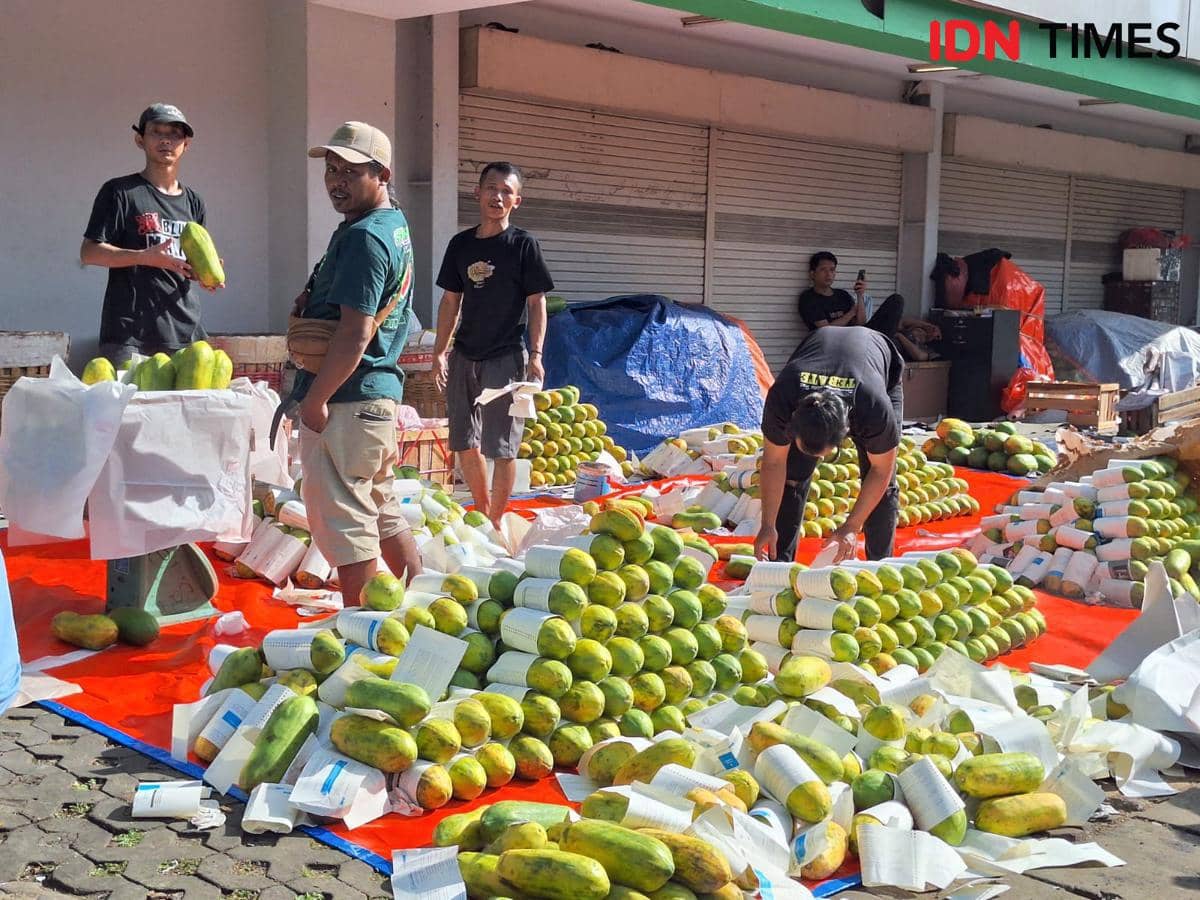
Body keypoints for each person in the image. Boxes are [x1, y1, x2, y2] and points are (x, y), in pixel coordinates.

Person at [290, 121, 422, 605]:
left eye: (350, 170)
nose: (336, 180)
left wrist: (317, 399)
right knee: (380, 506)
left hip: (349, 398)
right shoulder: (391, 226)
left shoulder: (365, 237)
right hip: (376, 398)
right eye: (331, 169)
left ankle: (362, 636)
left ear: (382, 173)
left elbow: (356, 330)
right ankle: (418, 602)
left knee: (347, 524)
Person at [431, 161, 554, 529]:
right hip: (465, 353)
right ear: (477, 193)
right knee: (463, 441)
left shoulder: (523, 245)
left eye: (505, 191)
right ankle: (483, 513)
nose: (496, 196)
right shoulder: (461, 245)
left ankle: (497, 521)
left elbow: (537, 303)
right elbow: (451, 301)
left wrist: (536, 355)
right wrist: (440, 351)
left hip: (506, 358)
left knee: (502, 446)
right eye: (491, 188)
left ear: (517, 200)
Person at [81, 103, 219, 365]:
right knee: (128, 407)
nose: (166, 140)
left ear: (186, 144)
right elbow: (89, 253)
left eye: (175, 134)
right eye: (157, 132)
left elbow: (187, 263)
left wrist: (205, 274)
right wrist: (144, 257)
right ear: (140, 139)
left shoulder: (194, 202)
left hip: (186, 334)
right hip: (130, 336)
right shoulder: (119, 192)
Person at [754, 326, 905, 565]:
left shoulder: (873, 407)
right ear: (793, 426)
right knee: (792, 474)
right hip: (819, 350)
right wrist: (767, 525)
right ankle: (778, 565)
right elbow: (774, 462)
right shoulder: (783, 396)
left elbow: (881, 470)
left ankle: (880, 565)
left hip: (876, 362)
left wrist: (851, 526)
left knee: (880, 485)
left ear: (846, 433)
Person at [798, 251, 940, 360]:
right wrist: (850, 313)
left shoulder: (842, 295)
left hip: (860, 337)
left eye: (832, 270)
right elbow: (826, 330)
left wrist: (860, 296)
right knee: (897, 344)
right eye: (823, 270)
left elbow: (861, 322)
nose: (829, 274)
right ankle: (886, 347)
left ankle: (884, 346)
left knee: (896, 301)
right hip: (838, 345)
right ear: (812, 273)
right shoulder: (809, 298)